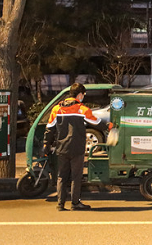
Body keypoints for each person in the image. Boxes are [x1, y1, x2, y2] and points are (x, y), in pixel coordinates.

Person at [43, 83, 108, 211]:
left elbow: (49, 128)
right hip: (77, 148)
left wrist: (46, 144)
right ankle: (75, 202)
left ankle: (60, 204)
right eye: (83, 95)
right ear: (79, 95)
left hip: (62, 147)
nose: (83, 97)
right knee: (76, 176)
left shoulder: (57, 109)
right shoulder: (82, 109)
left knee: (61, 176)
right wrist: (109, 126)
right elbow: (96, 122)